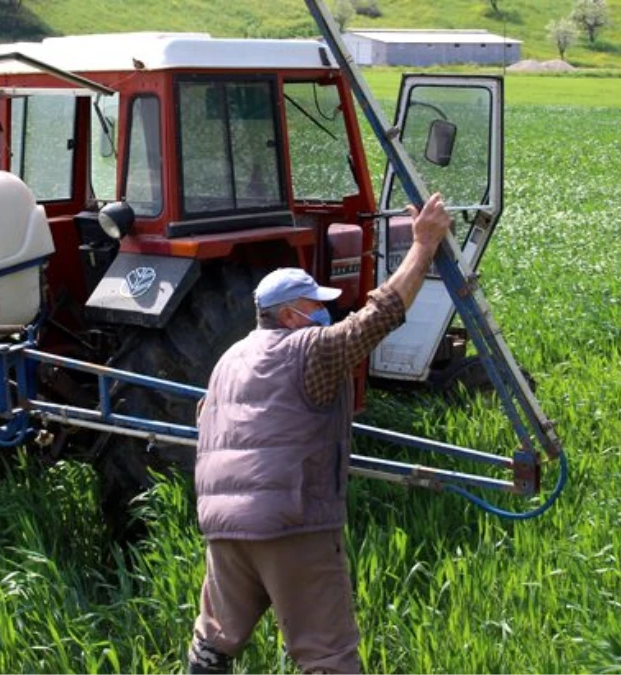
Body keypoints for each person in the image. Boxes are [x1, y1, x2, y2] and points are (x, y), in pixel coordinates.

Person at [187, 193, 453, 674]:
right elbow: (381, 314)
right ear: (291, 315)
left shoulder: (228, 361)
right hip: (292, 523)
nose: (324, 313)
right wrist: (423, 246)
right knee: (328, 655)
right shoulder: (309, 350)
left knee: (213, 644)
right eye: (316, 305)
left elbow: (206, 419)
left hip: (224, 529)